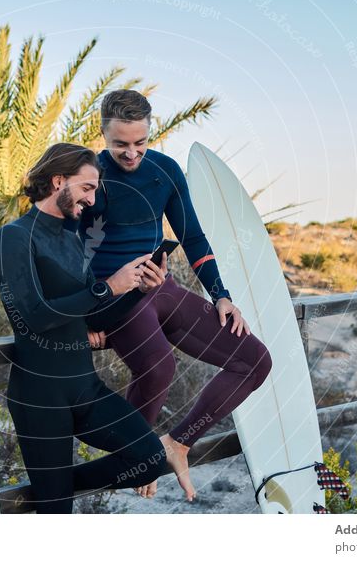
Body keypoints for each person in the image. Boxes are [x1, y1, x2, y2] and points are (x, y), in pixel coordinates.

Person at [73, 90, 273, 502]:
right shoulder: (88, 176)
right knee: (160, 369)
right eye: (120, 145)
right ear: (103, 134)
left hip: (160, 289)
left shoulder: (164, 171)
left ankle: (174, 445)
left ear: (151, 132)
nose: (131, 154)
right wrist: (81, 316)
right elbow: (66, 253)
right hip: (112, 299)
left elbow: (193, 237)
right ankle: (140, 454)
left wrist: (221, 294)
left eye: (140, 143)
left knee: (255, 360)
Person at [0, 142, 167, 514]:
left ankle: (57, 488)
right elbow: (33, 316)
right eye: (87, 188)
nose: (91, 198)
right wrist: (107, 286)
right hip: (40, 396)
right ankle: (55, 494)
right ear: (57, 181)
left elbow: (94, 317)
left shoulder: (72, 239)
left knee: (149, 457)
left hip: (84, 387)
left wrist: (138, 289)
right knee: (58, 516)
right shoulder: (11, 238)